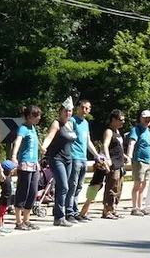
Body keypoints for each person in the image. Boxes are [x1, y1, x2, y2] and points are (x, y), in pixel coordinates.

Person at [41, 99, 77, 227]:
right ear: (60, 111)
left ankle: (58, 214)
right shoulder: (57, 124)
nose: (68, 113)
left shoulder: (71, 124)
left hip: (68, 159)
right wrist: (44, 146)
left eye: (70, 111)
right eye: (66, 111)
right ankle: (60, 216)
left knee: (63, 187)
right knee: (63, 186)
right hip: (57, 159)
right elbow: (50, 136)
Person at [66, 99, 103, 224]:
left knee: (79, 186)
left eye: (87, 108)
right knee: (72, 185)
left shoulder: (85, 123)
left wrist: (97, 155)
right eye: (83, 107)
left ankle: (76, 211)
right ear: (78, 108)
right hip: (74, 157)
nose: (84, 110)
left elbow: (88, 141)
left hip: (83, 158)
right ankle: (69, 212)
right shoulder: (72, 121)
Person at [10, 105, 42, 231]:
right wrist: (14, 156)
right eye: (36, 116)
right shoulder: (23, 128)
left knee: (33, 191)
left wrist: (41, 148)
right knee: (23, 190)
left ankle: (26, 219)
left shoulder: (33, 128)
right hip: (25, 163)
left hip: (34, 164)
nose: (39, 118)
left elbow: (35, 141)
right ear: (29, 117)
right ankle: (18, 221)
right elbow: (17, 141)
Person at [127, 110, 150, 216]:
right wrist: (129, 155)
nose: (147, 120)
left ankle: (140, 206)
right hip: (139, 160)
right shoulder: (136, 129)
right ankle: (135, 207)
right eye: (145, 118)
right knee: (137, 184)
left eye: (149, 118)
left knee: (144, 184)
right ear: (141, 118)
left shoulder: (149, 130)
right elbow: (131, 143)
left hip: (148, 161)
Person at [100, 110, 126, 219]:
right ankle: (107, 209)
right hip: (113, 163)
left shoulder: (118, 132)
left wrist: (124, 156)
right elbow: (105, 145)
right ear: (114, 119)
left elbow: (118, 146)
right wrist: (108, 159)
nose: (123, 122)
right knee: (112, 185)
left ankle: (113, 208)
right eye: (121, 119)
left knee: (118, 187)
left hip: (120, 163)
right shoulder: (109, 131)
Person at [0, 160, 16, 233]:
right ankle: (0, 226)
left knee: (3, 212)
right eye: (12, 170)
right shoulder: (4, 178)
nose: (13, 171)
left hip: (8, 198)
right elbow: (0, 180)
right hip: (4, 198)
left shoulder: (10, 178)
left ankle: (2, 225)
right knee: (1, 213)